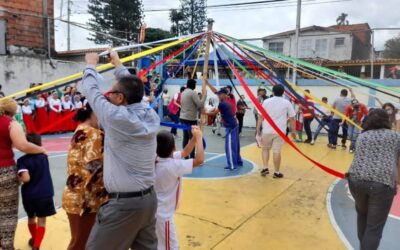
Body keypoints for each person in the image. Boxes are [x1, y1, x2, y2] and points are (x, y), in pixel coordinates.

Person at [82, 50, 160, 250]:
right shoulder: (148, 113)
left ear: (119, 98)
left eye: (111, 93)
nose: (107, 96)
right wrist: (117, 64)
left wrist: (90, 65)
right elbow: (133, 89)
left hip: (125, 206)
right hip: (148, 201)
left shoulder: (117, 117)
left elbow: (92, 91)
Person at [346, 108, 400, 250]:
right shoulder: (395, 136)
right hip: (382, 184)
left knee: (362, 216)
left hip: (356, 181)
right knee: (374, 228)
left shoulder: (362, 135)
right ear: (386, 121)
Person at [0, 98, 46, 250]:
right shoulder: (11, 124)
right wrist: (41, 149)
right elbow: (23, 145)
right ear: (12, 111)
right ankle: (6, 246)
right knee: (7, 212)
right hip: (4, 171)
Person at [62, 105, 107, 250]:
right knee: (82, 244)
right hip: (86, 200)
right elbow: (94, 164)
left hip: (75, 196)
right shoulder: (94, 133)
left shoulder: (81, 129)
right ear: (94, 112)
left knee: (79, 242)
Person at [154, 127, 204, 250]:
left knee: (160, 245)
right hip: (163, 215)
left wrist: (193, 137)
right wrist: (199, 138)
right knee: (171, 247)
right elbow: (200, 160)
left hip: (155, 211)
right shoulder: (173, 165)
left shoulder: (157, 159)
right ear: (174, 147)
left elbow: (186, 152)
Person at [17, 133, 56, 250]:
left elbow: (26, 178)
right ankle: (37, 245)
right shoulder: (44, 157)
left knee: (31, 217)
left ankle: (34, 238)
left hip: (29, 195)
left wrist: (18, 178)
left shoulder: (22, 161)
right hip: (45, 193)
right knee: (42, 221)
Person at [256, 85, 296, 178]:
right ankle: (276, 172)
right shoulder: (287, 102)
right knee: (277, 151)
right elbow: (292, 118)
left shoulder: (266, 101)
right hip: (280, 131)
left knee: (265, 149)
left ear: (272, 92)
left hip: (267, 130)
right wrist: (293, 131)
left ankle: (265, 168)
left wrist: (257, 129)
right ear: (283, 92)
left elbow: (260, 117)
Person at [206, 88, 243, 170]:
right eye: (218, 94)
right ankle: (238, 161)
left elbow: (214, 113)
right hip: (234, 124)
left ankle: (232, 165)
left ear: (224, 94)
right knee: (235, 146)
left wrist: (204, 112)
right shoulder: (229, 101)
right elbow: (216, 92)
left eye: (219, 94)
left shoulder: (223, 103)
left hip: (231, 127)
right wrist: (208, 83)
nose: (218, 95)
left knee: (229, 147)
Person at [179, 79, 206, 159]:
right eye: (195, 84)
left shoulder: (183, 92)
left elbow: (189, 104)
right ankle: (192, 157)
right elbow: (200, 104)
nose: (195, 86)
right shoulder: (193, 92)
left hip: (182, 117)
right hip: (190, 118)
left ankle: (185, 156)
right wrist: (204, 96)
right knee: (192, 138)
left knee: (185, 137)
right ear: (192, 85)